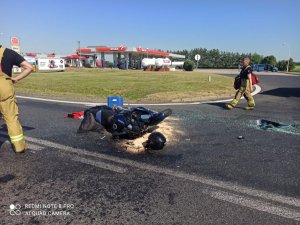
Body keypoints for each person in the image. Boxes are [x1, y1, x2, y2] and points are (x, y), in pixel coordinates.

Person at [0, 45, 33, 153]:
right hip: (4, 87)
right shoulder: (9, 53)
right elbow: (29, 67)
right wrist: (16, 79)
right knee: (11, 119)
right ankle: (19, 147)